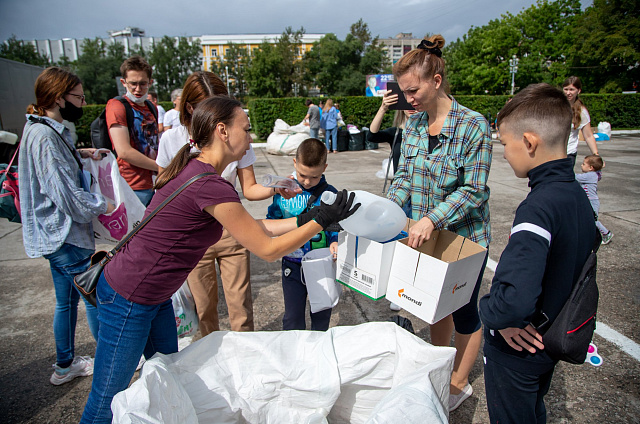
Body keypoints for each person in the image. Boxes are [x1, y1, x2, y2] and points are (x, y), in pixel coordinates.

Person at [79, 96, 358, 423]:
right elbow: (267, 249)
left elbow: (256, 227)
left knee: (167, 377)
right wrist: (320, 221)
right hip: (129, 295)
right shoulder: (210, 185)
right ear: (223, 131)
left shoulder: (200, 172)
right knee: (106, 401)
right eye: (247, 128)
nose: (251, 137)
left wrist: (309, 217)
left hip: (153, 298)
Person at [479, 83, 597, 424]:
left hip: (516, 352)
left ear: (529, 142)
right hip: (548, 342)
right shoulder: (576, 196)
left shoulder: (537, 208)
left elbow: (514, 300)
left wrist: (492, 314)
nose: (503, 153)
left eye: (504, 143)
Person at [385, 35, 492, 412]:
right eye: (403, 93)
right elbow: (402, 180)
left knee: (464, 311)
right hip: (424, 236)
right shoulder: (412, 127)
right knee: (434, 306)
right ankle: (439, 364)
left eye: (413, 91)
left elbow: (474, 191)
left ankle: (458, 384)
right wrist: (385, 216)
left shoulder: (472, 126)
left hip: (464, 238)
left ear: (436, 79)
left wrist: (432, 218)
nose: (408, 99)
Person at [156, 71, 300, 335]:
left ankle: (244, 361)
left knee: (240, 307)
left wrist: (275, 188)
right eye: (207, 106)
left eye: (221, 104)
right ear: (190, 108)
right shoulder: (173, 140)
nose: (216, 113)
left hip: (231, 228)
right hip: (194, 235)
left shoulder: (238, 140)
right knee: (204, 308)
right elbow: (163, 193)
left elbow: (250, 188)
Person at [18, 67, 115, 386]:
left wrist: (82, 154)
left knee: (67, 301)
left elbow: (58, 168)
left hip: (54, 235)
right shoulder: (46, 136)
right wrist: (104, 205)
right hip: (65, 235)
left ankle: (64, 364)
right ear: (58, 98)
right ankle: (111, 360)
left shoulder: (43, 129)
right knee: (94, 296)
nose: (83, 103)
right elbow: (65, 193)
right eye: (79, 97)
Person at [266, 138, 339, 331]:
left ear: (325, 167)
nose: (307, 181)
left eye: (314, 177)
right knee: (293, 316)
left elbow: (335, 225)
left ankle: (318, 350)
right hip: (292, 262)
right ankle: (293, 352)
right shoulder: (283, 192)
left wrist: (334, 241)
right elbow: (273, 219)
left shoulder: (330, 194)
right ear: (294, 163)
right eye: (302, 175)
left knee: (322, 315)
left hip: (321, 264)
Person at [106, 55, 159, 206]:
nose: (138, 89)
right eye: (133, 84)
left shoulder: (151, 107)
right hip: (131, 185)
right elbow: (124, 151)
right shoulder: (117, 106)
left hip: (154, 182)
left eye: (143, 84)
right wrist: (160, 167)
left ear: (150, 82)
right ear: (123, 82)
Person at [367, 90, 417, 174]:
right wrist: (383, 108)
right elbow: (372, 136)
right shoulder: (396, 133)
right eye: (406, 102)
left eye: (415, 102)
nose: (410, 107)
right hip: (399, 184)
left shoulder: (429, 132)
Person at [562, 76, 599, 167]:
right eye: (566, 89)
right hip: (551, 154)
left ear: (578, 91)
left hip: (569, 154)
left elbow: (589, 136)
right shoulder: (555, 107)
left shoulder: (581, 112)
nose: (568, 93)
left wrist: (596, 155)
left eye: (572, 90)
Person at [577, 154, 613, 244]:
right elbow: (599, 171)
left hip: (591, 202)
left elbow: (576, 178)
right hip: (589, 201)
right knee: (586, 219)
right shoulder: (595, 174)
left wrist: (566, 172)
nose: (581, 165)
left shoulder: (590, 176)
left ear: (591, 168)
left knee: (593, 220)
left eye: (584, 164)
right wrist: (600, 167)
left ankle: (606, 234)